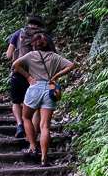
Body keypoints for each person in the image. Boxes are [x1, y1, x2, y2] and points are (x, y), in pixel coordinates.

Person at [11, 32, 75, 166]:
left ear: (34, 45)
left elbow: (15, 64)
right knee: (45, 126)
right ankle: (44, 158)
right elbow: (71, 65)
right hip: (49, 89)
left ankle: (33, 147)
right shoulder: (54, 57)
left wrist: (28, 77)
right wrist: (56, 76)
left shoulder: (31, 55)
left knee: (27, 118)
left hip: (34, 88)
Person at [5, 16, 56, 138]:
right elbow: (53, 55)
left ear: (29, 23)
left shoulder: (19, 33)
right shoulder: (45, 37)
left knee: (16, 102)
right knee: (36, 108)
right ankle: (32, 137)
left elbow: (8, 55)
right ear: (40, 25)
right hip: (37, 75)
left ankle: (19, 125)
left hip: (19, 71)